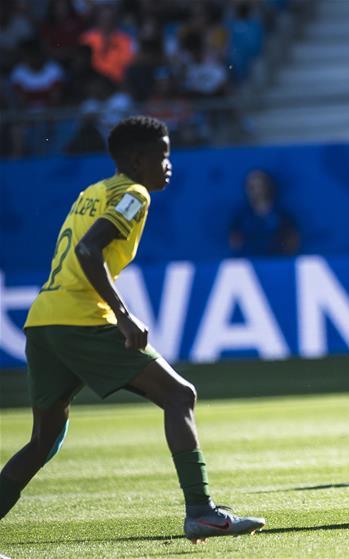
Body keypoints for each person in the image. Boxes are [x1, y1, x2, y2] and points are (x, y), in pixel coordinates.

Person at [0, 116, 265, 543]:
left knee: (41, 443)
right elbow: (89, 250)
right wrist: (122, 314)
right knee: (180, 396)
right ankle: (201, 512)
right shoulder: (133, 194)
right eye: (161, 154)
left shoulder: (93, 191)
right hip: (81, 320)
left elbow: (78, 248)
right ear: (136, 160)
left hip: (44, 321)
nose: (168, 163)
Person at [229, 169, 300, 256]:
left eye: (259, 186)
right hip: (249, 263)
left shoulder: (283, 217)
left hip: (277, 263)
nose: (254, 191)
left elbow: (292, 243)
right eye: (251, 186)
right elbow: (235, 244)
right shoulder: (241, 218)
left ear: (268, 186)